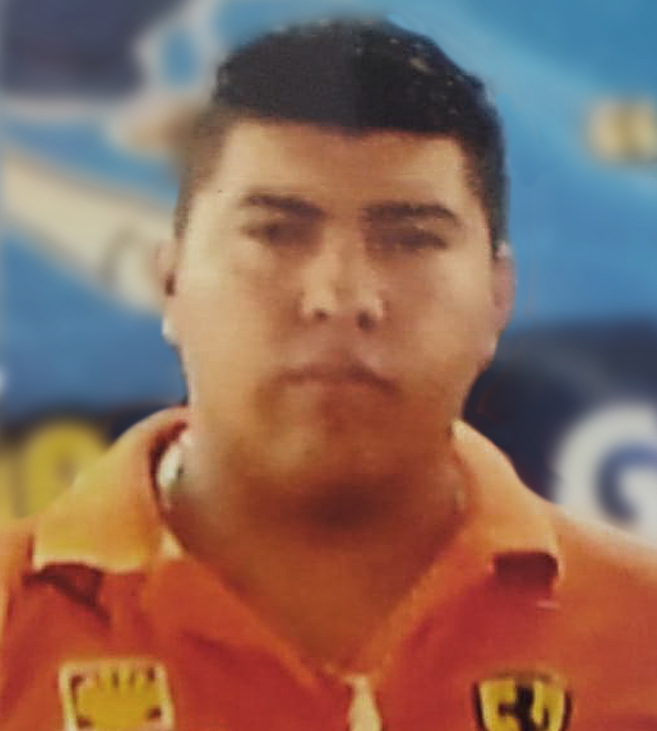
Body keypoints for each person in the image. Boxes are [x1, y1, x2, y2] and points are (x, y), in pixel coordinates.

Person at [1, 19, 657, 731]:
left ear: (498, 298)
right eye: (276, 232)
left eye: (411, 239)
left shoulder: (638, 630)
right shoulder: (14, 620)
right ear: (170, 281)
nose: (341, 296)